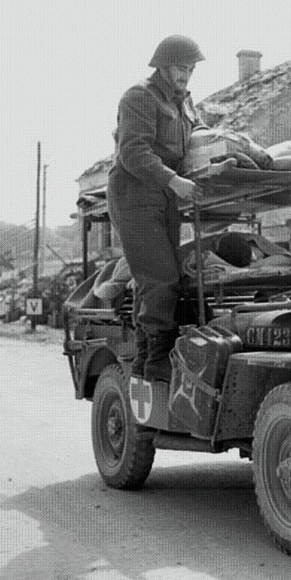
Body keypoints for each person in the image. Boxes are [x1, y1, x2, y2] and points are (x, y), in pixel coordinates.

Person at [107, 35, 205, 383]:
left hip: (163, 197)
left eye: (191, 69)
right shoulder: (139, 97)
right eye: (181, 68)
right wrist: (173, 181)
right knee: (160, 278)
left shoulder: (185, 104)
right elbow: (133, 152)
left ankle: (147, 364)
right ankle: (151, 367)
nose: (187, 75)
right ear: (162, 66)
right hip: (135, 193)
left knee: (166, 278)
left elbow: (197, 138)